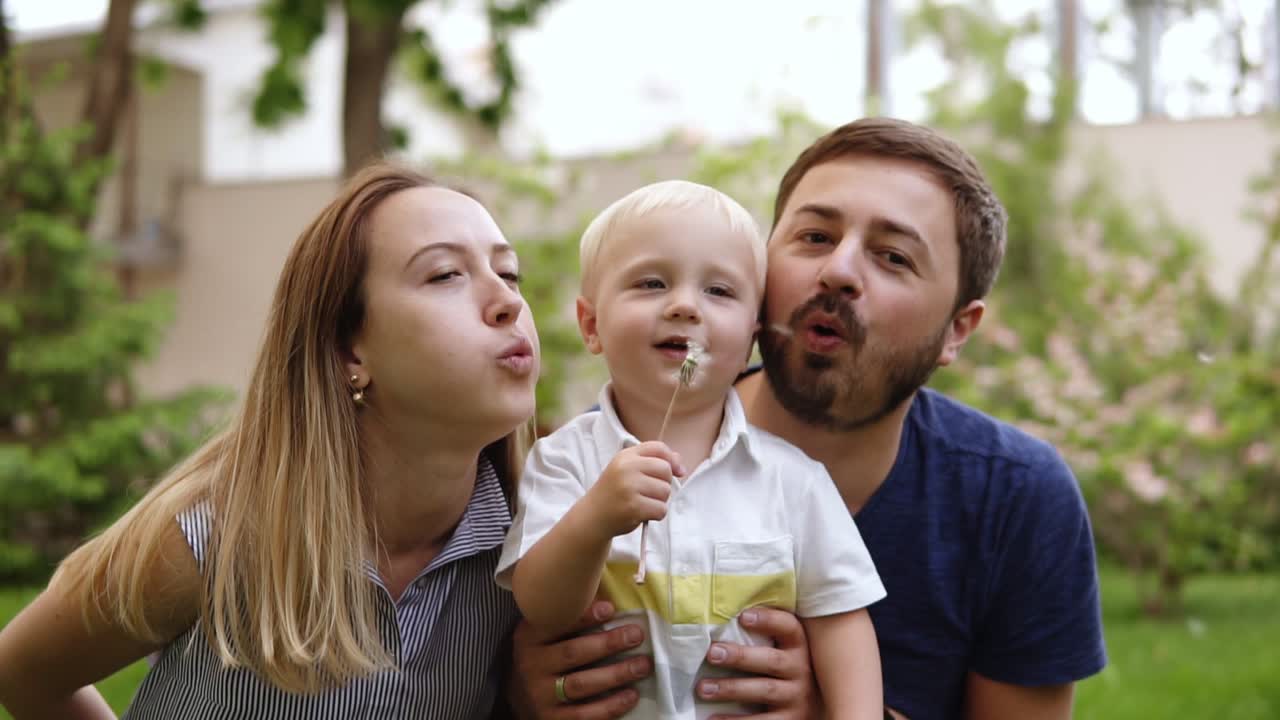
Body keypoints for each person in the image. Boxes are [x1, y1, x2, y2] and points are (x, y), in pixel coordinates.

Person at [507, 117, 1107, 720]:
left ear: (957, 329)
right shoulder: (601, 459)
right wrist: (523, 692)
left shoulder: (1017, 497)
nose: (839, 271)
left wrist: (821, 709)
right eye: (815, 237)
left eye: (893, 256)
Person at [0, 163, 540, 719]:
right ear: (349, 354)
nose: (509, 302)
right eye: (446, 274)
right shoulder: (216, 533)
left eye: (509, 273)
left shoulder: (539, 551)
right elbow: (24, 673)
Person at [494, 181, 886, 719]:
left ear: (750, 337)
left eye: (719, 292)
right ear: (591, 325)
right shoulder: (566, 461)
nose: (684, 306)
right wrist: (596, 518)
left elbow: (841, 620)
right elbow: (542, 606)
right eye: (651, 283)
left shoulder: (793, 481)